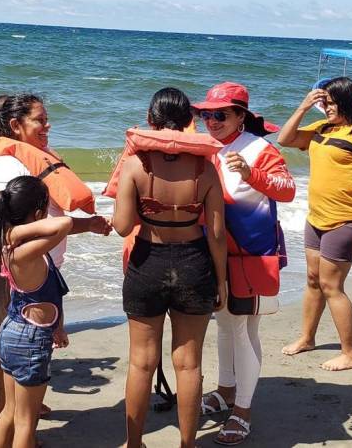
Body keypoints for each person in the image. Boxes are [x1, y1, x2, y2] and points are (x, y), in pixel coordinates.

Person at [0, 93, 109, 422]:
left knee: (28, 349)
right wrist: (79, 224)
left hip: (36, 273)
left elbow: (41, 224)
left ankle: (20, 417)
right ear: (15, 125)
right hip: (11, 275)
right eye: (39, 119)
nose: (47, 125)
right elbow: (0, 230)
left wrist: (85, 225)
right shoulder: (5, 165)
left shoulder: (35, 158)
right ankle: (7, 424)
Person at [113, 87, 227, 448]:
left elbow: (121, 226)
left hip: (149, 260)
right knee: (189, 363)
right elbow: (218, 234)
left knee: (141, 363)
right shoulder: (205, 169)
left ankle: (134, 444)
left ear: (150, 120)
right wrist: (221, 282)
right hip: (194, 263)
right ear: (188, 123)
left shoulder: (135, 165)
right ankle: (187, 445)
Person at [193, 82, 295, 445]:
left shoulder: (258, 148)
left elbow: (287, 189)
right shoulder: (204, 148)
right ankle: (226, 390)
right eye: (205, 114)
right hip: (214, 252)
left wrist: (253, 175)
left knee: (242, 329)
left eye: (220, 115)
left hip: (250, 253)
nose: (212, 121)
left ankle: (243, 410)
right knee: (223, 324)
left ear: (240, 116)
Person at [278, 77, 352, 371]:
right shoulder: (321, 129)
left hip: (346, 220)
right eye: (324, 103)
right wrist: (303, 107)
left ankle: (351, 353)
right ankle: (307, 337)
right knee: (313, 279)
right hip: (316, 218)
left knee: (331, 285)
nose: (326, 109)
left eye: (331, 103)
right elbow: (284, 139)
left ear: (348, 101)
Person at [0, 177, 77, 448]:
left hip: (13, 329)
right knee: (25, 420)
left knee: (9, 413)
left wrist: (58, 327)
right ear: (37, 214)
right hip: (29, 339)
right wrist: (14, 231)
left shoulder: (10, 245)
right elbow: (65, 223)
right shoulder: (23, 250)